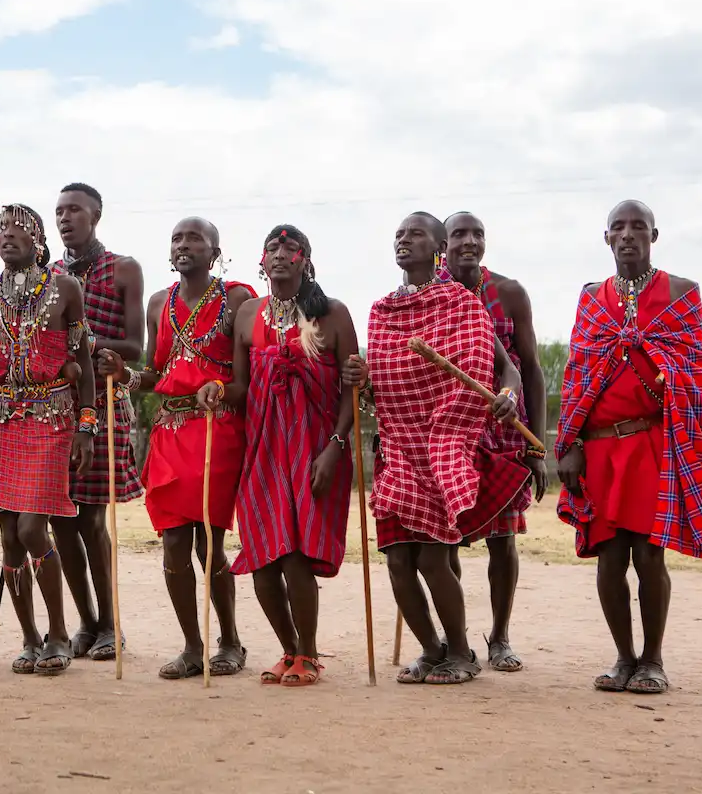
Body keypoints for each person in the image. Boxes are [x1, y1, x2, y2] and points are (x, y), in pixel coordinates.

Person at [557, 200, 702, 694]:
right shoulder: (592, 299)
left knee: (648, 556)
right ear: (606, 237)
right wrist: (569, 445)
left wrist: (648, 351)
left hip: (655, 444)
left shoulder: (681, 294)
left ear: (655, 235)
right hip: (599, 449)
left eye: (639, 226)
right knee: (609, 558)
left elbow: (697, 368)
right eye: (619, 226)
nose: (628, 234)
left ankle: (653, 661)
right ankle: (623, 658)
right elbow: (578, 374)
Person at [345, 212, 530, 686]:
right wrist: (361, 382)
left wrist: (507, 397)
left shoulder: (462, 305)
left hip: (447, 442)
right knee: (396, 558)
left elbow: (506, 370)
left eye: (416, 234)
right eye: (399, 235)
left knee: (431, 556)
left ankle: (464, 653)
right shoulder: (382, 311)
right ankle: (432, 649)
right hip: (399, 445)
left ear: (439, 247)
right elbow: (384, 386)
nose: (404, 241)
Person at [98, 217, 255, 680]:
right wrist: (121, 374)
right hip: (169, 431)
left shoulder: (238, 299)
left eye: (195, 239)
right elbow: (157, 375)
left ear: (215, 251)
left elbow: (244, 382)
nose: (184, 245)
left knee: (209, 543)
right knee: (172, 545)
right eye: (176, 239)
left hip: (216, 429)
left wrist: (219, 390)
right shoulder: (157, 303)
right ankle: (192, 646)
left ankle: (229, 641)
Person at [0, 203, 95, 675]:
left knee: (34, 528)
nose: (7, 234)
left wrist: (87, 427)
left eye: (19, 227)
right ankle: (31, 639)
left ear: (39, 240)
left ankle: (58, 634)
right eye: (1, 228)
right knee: (10, 540)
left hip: (51, 420)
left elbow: (85, 362)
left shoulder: (65, 289)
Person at [216, 224, 357, 688]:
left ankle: (309, 655)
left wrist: (334, 449)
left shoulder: (333, 315)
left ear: (305, 259)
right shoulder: (247, 315)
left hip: (316, 449)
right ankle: (288, 648)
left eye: (290, 248)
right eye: (272, 247)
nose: (280, 254)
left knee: (295, 554)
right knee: (261, 558)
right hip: (263, 450)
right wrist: (215, 392)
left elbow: (350, 393)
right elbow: (240, 385)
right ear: (262, 259)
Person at [438, 211, 547, 673]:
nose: (469, 241)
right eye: (458, 234)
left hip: (504, 434)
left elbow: (531, 369)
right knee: (444, 543)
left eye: (476, 234)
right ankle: (454, 634)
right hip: (446, 436)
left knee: (503, 542)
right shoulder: (427, 297)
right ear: (442, 244)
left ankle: (500, 637)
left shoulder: (508, 293)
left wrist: (537, 446)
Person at [49, 182, 145, 662]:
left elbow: (134, 346)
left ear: (97, 215)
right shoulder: (50, 275)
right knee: (60, 520)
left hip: (104, 401)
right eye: (60, 212)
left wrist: (84, 346)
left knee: (90, 518)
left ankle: (111, 624)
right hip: (56, 407)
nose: (66, 219)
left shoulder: (121, 269)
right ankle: (85, 622)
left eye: (75, 211)